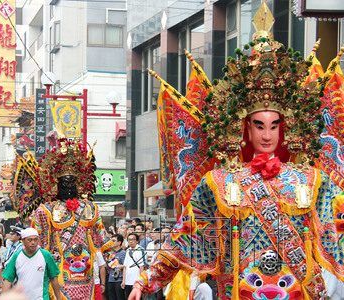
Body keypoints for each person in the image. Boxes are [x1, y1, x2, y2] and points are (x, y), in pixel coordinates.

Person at [129, 4, 344, 299]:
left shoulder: (312, 181)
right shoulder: (218, 183)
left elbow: (339, 227)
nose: (266, 134)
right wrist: (147, 279)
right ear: (244, 128)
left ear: (286, 127)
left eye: (274, 125)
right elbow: (187, 236)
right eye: (258, 125)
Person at [13, 137, 111, 299]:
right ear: (55, 184)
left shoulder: (90, 208)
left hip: (85, 270)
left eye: (72, 181)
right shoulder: (45, 210)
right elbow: (38, 242)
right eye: (64, 182)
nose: (68, 185)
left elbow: (101, 238)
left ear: (79, 183)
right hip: (58, 268)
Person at [2, 228, 61, 300]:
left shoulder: (45, 255)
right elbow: (8, 280)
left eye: (35, 239)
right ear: (23, 241)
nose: (33, 242)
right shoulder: (17, 256)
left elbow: (54, 278)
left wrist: (59, 298)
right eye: (29, 240)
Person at [122, 233, 145, 298]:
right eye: (129, 240)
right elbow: (125, 266)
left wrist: (140, 281)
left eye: (133, 239)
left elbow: (142, 266)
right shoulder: (127, 250)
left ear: (137, 241)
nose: (131, 241)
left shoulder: (140, 250)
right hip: (127, 281)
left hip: (136, 281)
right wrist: (123, 281)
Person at [106, 234, 126, 300]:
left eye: (114, 241)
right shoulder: (110, 253)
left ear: (119, 242)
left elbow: (125, 267)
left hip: (119, 279)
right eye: (111, 241)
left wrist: (123, 281)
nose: (111, 242)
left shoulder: (123, 253)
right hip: (110, 279)